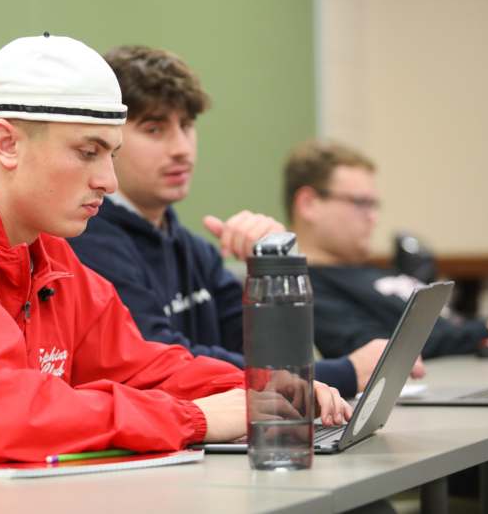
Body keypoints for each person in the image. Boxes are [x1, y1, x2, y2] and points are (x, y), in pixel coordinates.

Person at [0, 35, 351, 476]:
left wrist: (256, 385)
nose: (108, 181)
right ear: (6, 143)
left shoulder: (46, 254)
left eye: (110, 153)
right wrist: (195, 418)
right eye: (87, 152)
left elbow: (141, 366)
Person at [67, 45, 411, 400]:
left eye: (186, 126)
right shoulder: (88, 243)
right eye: (154, 129)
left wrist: (275, 271)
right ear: (111, 139)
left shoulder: (192, 247)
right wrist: (343, 373)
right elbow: (159, 365)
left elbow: (275, 359)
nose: (181, 148)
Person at [284, 139, 488, 359]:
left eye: (374, 205)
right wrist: (485, 330)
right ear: (309, 204)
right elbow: (379, 352)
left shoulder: (369, 271)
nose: (373, 218)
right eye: (360, 203)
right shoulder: (302, 288)